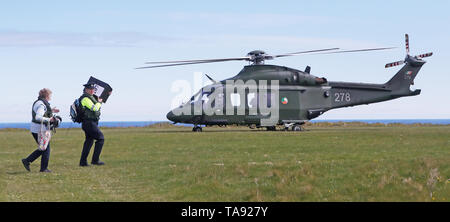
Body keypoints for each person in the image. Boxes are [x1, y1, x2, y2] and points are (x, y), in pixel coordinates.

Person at [22, 88, 60, 173]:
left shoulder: (40, 103)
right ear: (47, 95)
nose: (50, 97)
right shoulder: (41, 104)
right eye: (50, 95)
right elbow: (38, 117)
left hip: (37, 129)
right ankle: (41, 168)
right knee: (45, 148)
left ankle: (28, 161)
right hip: (39, 129)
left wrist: (52, 110)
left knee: (44, 148)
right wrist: (50, 120)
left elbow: (42, 113)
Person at [79, 83, 106, 166]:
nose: (93, 90)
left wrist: (107, 93)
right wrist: (99, 102)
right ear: (86, 90)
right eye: (91, 89)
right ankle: (95, 160)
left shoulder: (90, 97)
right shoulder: (85, 99)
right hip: (89, 123)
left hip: (90, 123)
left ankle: (83, 162)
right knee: (101, 139)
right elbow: (94, 108)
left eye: (93, 89)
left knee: (89, 142)